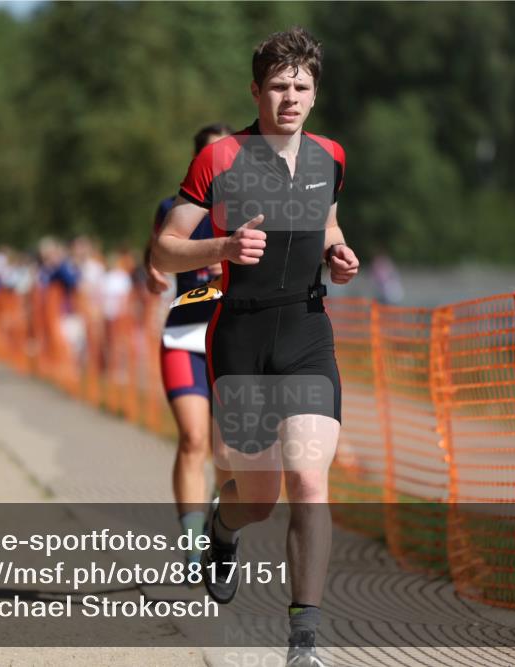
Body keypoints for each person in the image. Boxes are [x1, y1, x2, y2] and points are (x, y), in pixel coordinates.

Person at [152, 27, 359, 667]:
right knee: (258, 496)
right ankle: (220, 529)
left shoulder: (332, 157)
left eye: (300, 86)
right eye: (277, 86)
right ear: (256, 90)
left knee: (308, 479)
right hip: (238, 335)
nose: (289, 98)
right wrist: (220, 248)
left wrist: (337, 252)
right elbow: (164, 246)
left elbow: (326, 219)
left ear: (315, 93)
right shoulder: (220, 160)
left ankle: (304, 643)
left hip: (306, 331)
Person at [144, 123, 234, 569]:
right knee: (193, 438)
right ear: (196, 163)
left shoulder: (250, 209)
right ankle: (193, 543)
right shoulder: (171, 209)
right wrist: (154, 272)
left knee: (229, 449)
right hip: (183, 337)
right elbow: (154, 253)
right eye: (210, 158)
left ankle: (222, 521)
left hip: (234, 340)